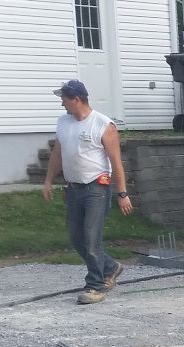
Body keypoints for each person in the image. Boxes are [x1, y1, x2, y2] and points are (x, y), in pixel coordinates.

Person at [42, 80, 133, 305]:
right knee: (76, 237)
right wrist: (48, 180)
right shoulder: (63, 123)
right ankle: (111, 267)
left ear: (77, 100)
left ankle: (96, 285)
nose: (62, 104)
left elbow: (116, 162)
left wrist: (122, 194)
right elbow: (58, 153)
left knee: (92, 238)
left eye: (64, 99)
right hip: (74, 188)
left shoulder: (103, 125)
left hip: (97, 187)